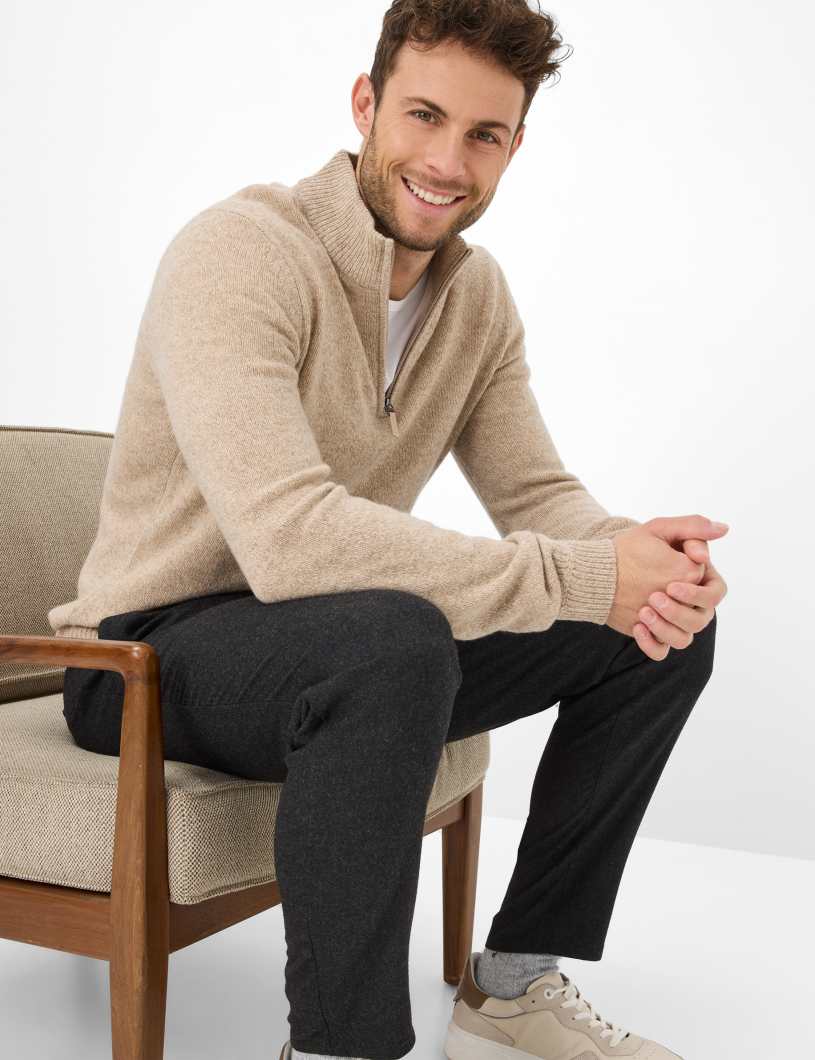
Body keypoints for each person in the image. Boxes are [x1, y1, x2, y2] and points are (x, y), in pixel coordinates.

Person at [52, 2, 728, 1058]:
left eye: (483, 134)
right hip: (143, 655)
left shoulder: (475, 298)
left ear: (513, 147)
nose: (446, 162)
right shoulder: (240, 252)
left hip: (334, 641)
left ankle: (510, 990)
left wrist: (640, 559)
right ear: (365, 105)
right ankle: (339, 1044)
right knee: (391, 639)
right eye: (423, 115)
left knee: (658, 630)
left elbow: (536, 493)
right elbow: (289, 539)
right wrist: (583, 574)